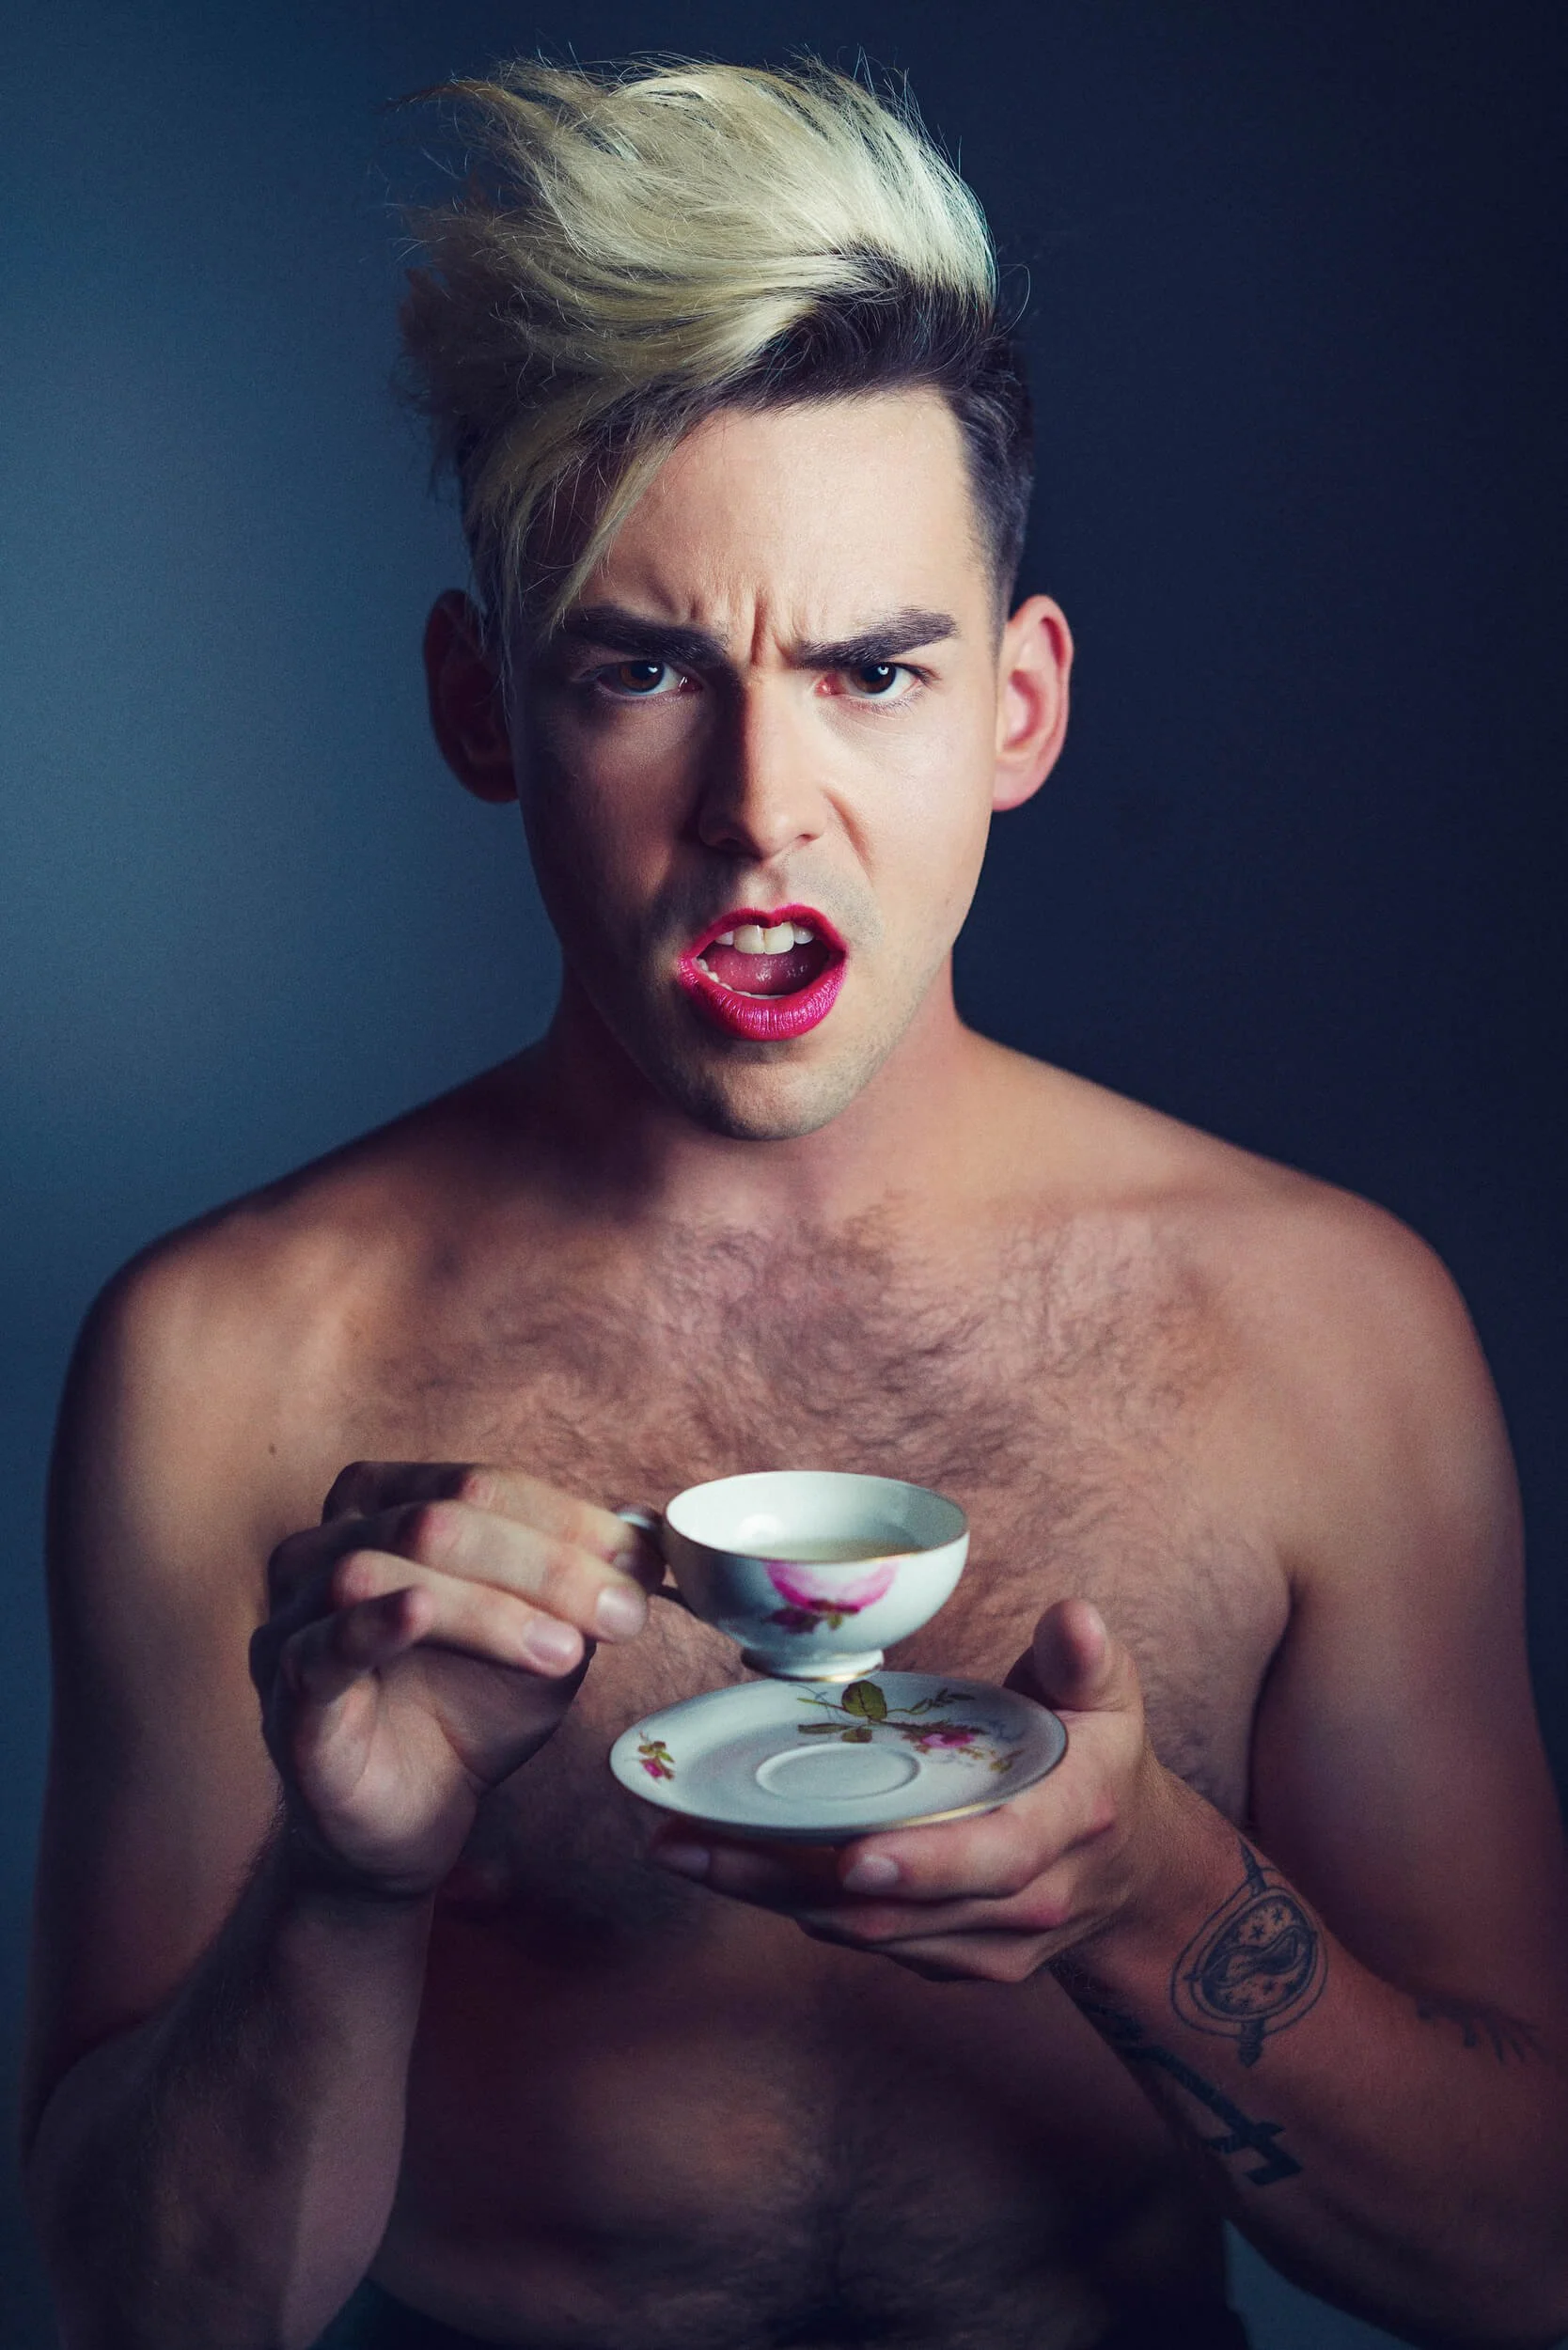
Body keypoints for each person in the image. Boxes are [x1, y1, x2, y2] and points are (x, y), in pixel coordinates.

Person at [20, 55, 1568, 2350]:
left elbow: (1533, 2255)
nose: (765, 805)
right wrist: (350, 1887)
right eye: (641, 668)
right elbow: (146, 2309)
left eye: (871, 673)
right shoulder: (233, 1364)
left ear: (1018, 711)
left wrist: (1145, 1893)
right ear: (481, 709)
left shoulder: (1332, 1335)